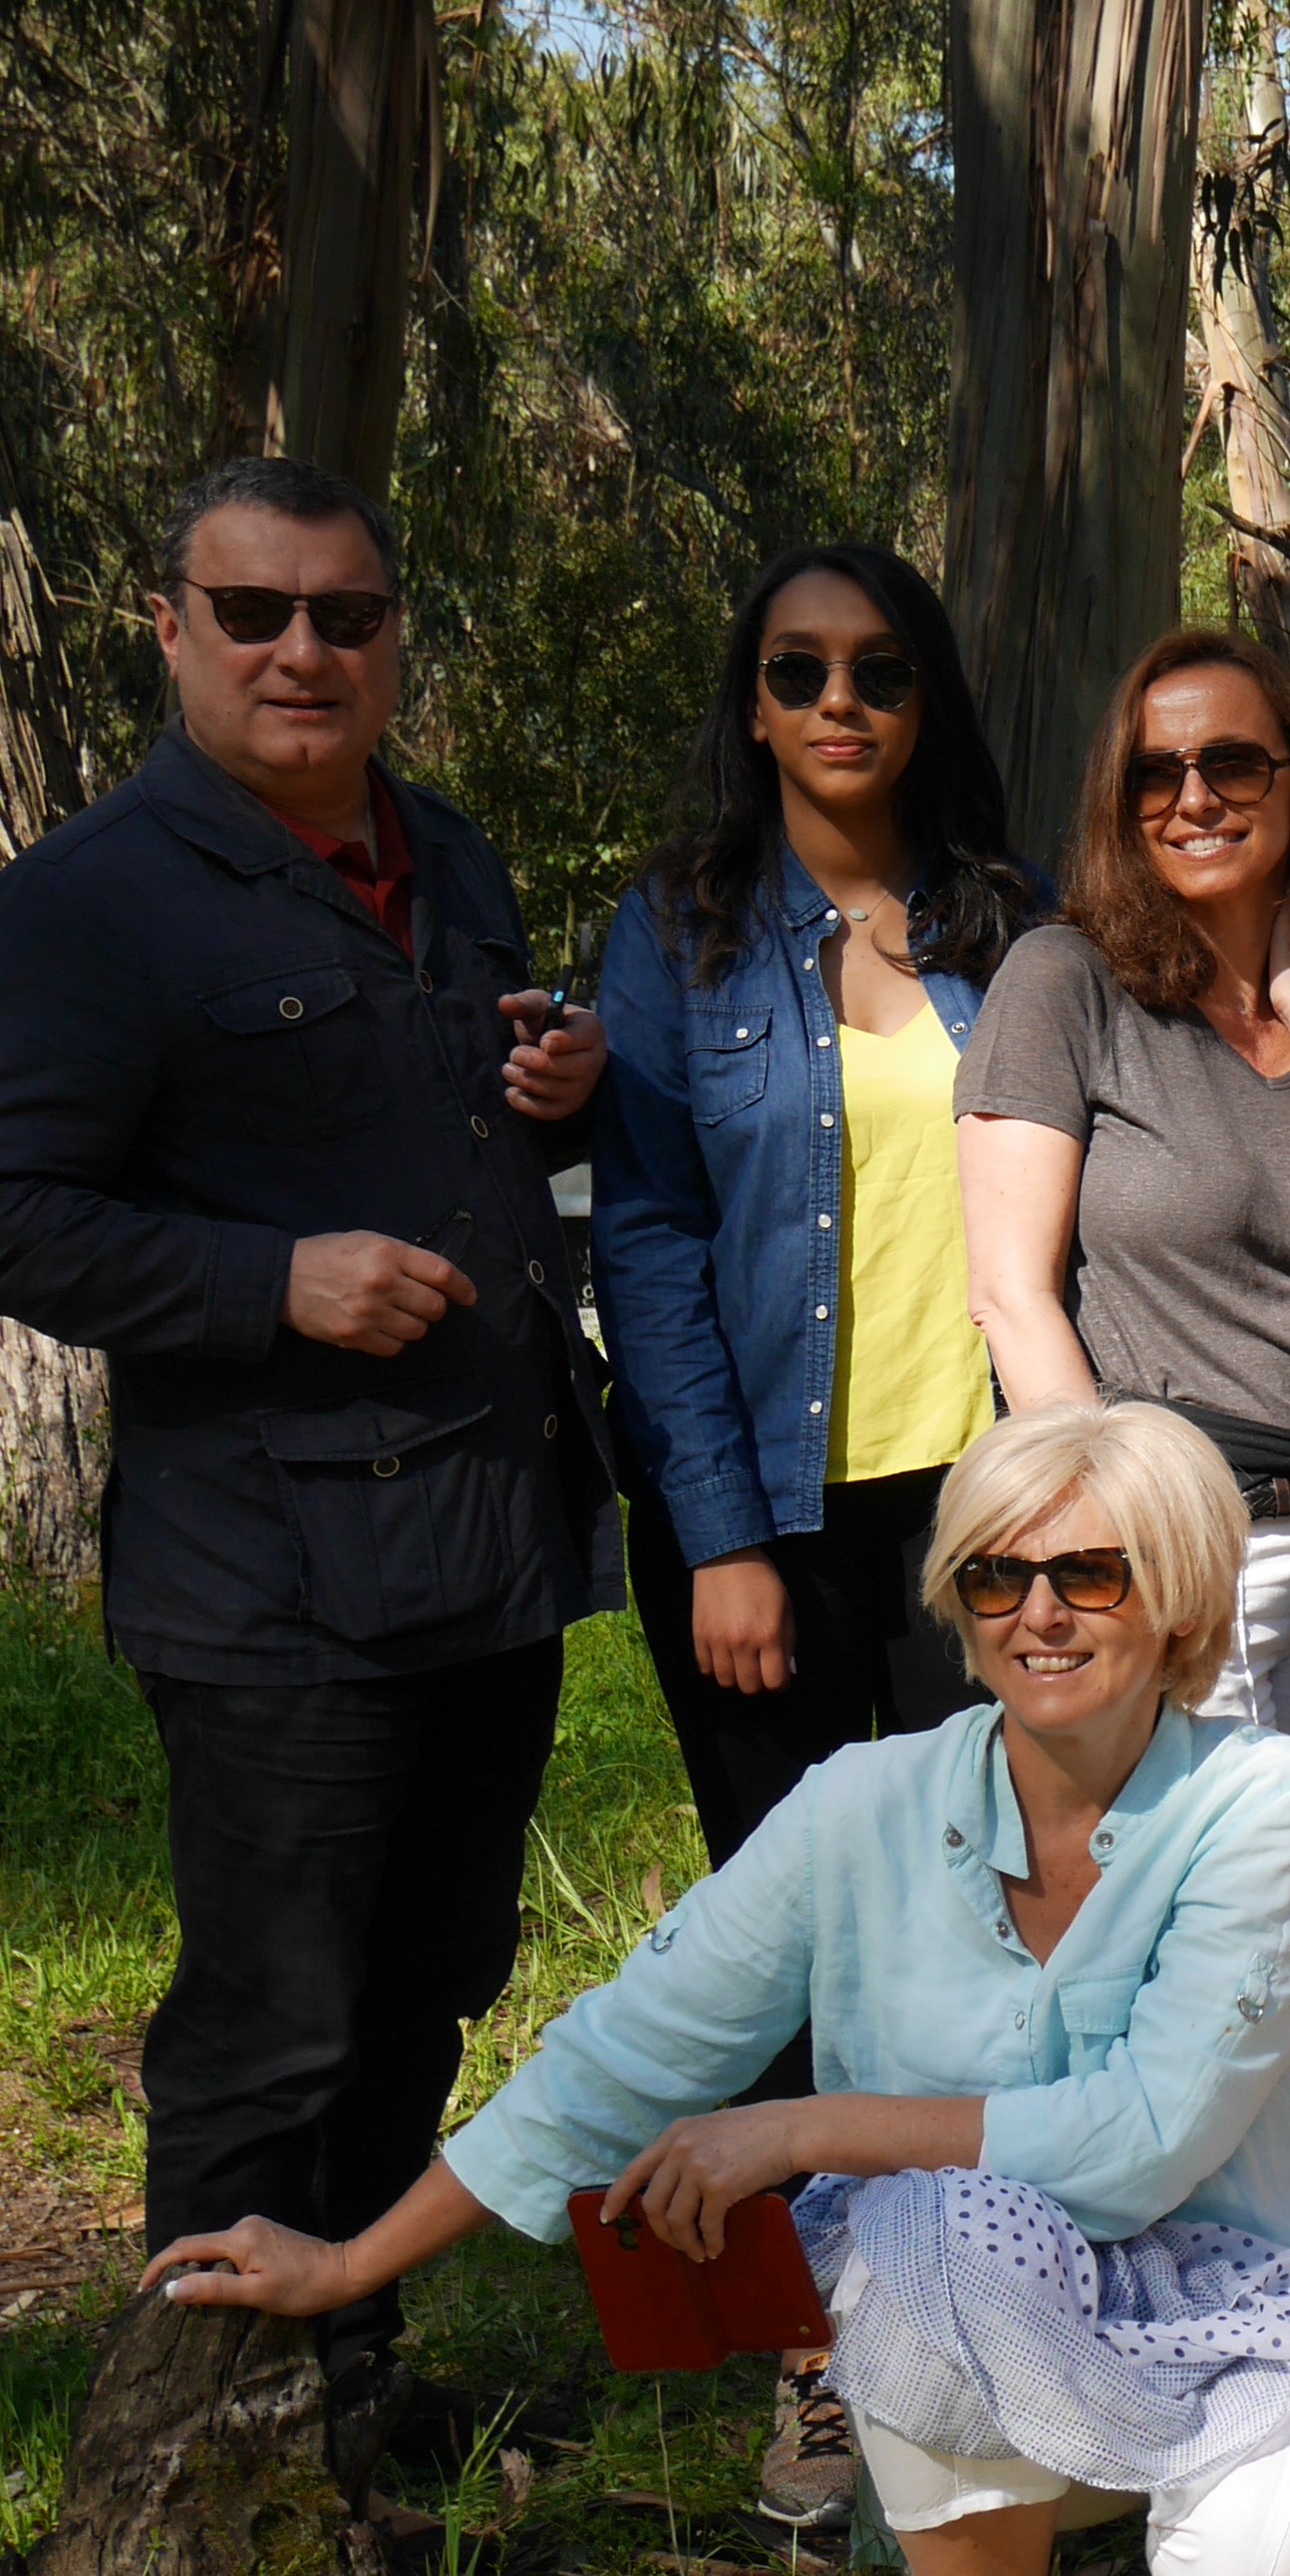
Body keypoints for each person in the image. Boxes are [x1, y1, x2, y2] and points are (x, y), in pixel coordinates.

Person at [151, 1401, 1290, 2576]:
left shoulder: (1269, 1802)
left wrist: (804, 2127)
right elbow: (624, 2056)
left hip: (1256, 2310)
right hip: (972, 2315)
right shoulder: (861, 1806)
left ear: (1180, 1600)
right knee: (931, 2230)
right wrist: (350, 2261)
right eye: (996, 1576)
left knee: (1282, 2531)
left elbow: (1144, 2142)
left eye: (1088, 1573)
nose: (1037, 1614)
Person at [0, 458, 612, 2425]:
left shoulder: (445, 854)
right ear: (169, 627)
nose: (300, 649)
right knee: (271, 2024)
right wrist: (277, 1280)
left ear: (391, 638)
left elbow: (449, 1119)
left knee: (428, 1975)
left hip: (484, 1543)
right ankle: (205, 2441)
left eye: (343, 615)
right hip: (270, 1583)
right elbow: (18, 1208)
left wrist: (555, 1086)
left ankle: (349, 2363)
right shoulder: (91, 902)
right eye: (252, 610)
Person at [591, 540, 1048, 2523]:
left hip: (990, 1517)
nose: (838, 701)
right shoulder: (676, 934)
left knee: (990, 1925)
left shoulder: (1009, 927)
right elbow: (652, 1240)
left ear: (925, 696)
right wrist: (719, 1535)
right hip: (771, 1513)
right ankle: (816, 2366)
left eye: (876, 669)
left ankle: (986, 2319)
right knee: (791, 1937)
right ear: (752, 701)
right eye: (796, 670)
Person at [956, 631, 1290, 1836]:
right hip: (1175, 1542)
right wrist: (1112, 1547)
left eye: (1235, 764)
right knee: (1156, 1927)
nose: (1193, 797)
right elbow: (1011, 1295)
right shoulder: (1063, 981)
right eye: (1157, 771)